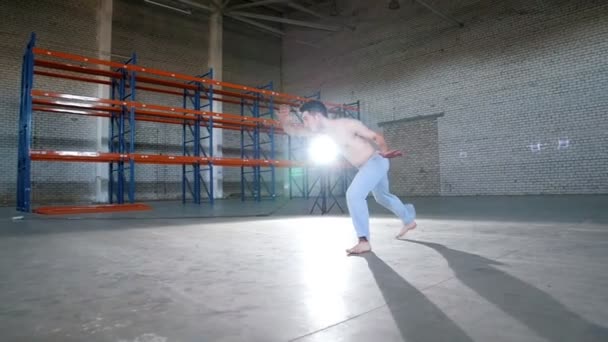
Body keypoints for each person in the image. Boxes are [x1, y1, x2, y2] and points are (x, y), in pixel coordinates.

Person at [278, 100, 417, 254]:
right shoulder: (319, 131)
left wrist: (384, 151)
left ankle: (363, 241)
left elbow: (376, 137)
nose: (304, 123)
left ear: (317, 116)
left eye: (305, 118)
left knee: (354, 195)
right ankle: (408, 219)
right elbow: (292, 130)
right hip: (368, 166)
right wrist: (284, 119)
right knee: (382, 197)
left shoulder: (346, 124)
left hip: (376, 161)